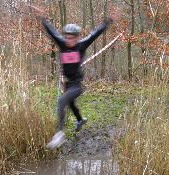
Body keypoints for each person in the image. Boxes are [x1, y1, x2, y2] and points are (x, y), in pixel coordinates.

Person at [34, 8, 115, 149]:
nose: (68, 40)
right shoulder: (62, 44)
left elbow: (95, 34)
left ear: (77, 37)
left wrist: (108, 21)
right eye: (67, 37)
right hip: (67, 83)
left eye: (72, 37)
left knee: (61, 101)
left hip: (77, 85)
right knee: (71, 104)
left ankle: (59, 134)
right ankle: (80, 120)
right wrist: (43, 19)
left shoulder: (81, 45)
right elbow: (51, 32)